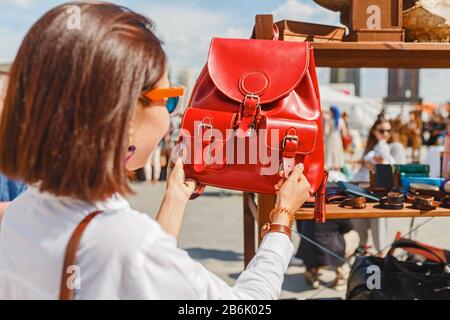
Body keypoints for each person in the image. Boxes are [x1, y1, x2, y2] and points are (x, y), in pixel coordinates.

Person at [0, 2, 311, 299]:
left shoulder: (22, 212)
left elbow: (140, 277)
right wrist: (282, 221)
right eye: (170, 98)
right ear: (127, 112)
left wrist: (174, 198)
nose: (171, 112)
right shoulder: (122, 242)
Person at [353, 117, 395, 253]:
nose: (386, 134)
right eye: (382, 130)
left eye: (389, 130)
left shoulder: (387, 147)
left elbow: (383, 165)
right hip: (363, 187)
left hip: (378, 190)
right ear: (374, 131)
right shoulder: (372, 147)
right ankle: (369, 250)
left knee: (378, 220)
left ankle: (378, 252)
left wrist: (369, 163)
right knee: (361, 222)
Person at [295, 220, 359, 290]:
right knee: (353, 234)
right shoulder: (334, 209)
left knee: (310, 232)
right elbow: (348, 227)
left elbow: (299, 229)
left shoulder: (303, 208)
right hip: (330, 254)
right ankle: (342, 275)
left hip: (307, 251)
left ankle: (311, 271)